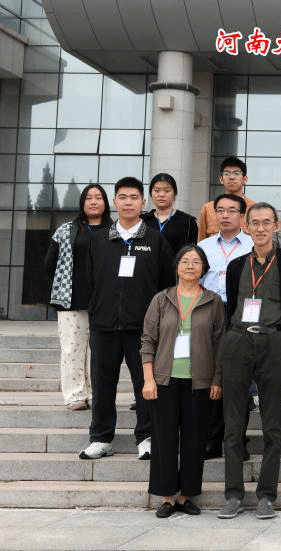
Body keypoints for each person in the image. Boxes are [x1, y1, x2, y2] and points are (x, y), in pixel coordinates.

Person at [216, 203, 281, 520]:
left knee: (272, 424)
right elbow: (230, 307)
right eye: (255, 222)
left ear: (277, 225)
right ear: (246, 226)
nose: (261, 228)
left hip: (272, 340)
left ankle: (267, 494)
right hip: (238, 339)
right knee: (233, 423)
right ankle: (233, 494)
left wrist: (277, 338)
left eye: (267, 222)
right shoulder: (237, 265)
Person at [80, 177, 175, 461]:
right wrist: (98, 310)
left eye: (134, 197)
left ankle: (146, 437)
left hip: (143, 329)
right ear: (115, 202)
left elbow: (167, 283)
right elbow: (90, 280)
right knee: (102, 384)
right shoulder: (99, 240)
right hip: (104, 325)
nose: (128, 202)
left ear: (143, 203)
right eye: (122, 197)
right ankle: (100, 437)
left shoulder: (155, 240)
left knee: (145, 384)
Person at [139, 245, 227, 518]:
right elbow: (147, 341)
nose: (190, 266)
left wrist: (217, 379)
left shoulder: (213, 301)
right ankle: (167, 498)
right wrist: (148, 379)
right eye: (185, 261)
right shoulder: (161, 299)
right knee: (164, 440)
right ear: (176, 267)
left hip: (198, 382)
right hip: (164, 380)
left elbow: (221, 344)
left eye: (196, 262)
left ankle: (187, 496)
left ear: (204, 269)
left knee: (194, 440)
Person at [196, 193, 253, 458]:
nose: (225, 215)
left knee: (239, 381)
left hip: (242, 313)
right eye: (220, 210)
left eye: (231, 210)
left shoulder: (252, 245)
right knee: (211, 378)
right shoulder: (204, 247)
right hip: (209, 312)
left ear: (242, 216)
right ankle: (211, 438)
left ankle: (237, 440)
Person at [45, 184, 111, 410]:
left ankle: (94, 394)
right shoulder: (66, 230)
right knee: (72, 348)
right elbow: (49, 264)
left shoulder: (115, 230)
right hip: (71, 300)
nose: (93, 202)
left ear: (105, 203)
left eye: (98, 197)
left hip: (104, 301)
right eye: (89, 198)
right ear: (82, 203)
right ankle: (75, 395)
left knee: (99, 351)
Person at [197, 157, 255, 241]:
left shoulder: (254, 209)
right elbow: (201, 241)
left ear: (244, 179)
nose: (231, 177)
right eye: (227, 173)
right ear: (221, 179)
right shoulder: (208, 209)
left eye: (236, 173)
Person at [142, 173, 198, 253]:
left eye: (167, 191)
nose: (161, 195)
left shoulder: (188, 222)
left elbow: (191, 253)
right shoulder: (142, 220)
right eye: (157, 190)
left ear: (175, 194)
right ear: (151, 194)